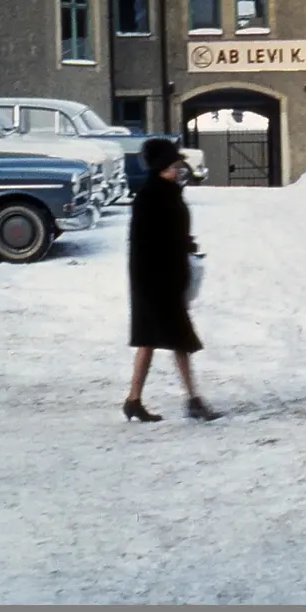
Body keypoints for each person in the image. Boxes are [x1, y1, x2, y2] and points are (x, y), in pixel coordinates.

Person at [123, 137, 222, 423]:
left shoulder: (166, 192)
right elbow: (149, 243)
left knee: (151, 339)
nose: (178, 169)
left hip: (161, 280)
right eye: (173, 165)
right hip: (157, 282)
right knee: (179, 339)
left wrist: (186, 247)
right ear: (161, 167)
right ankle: (193, 400)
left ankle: (134, 400)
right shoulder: (151, 197)